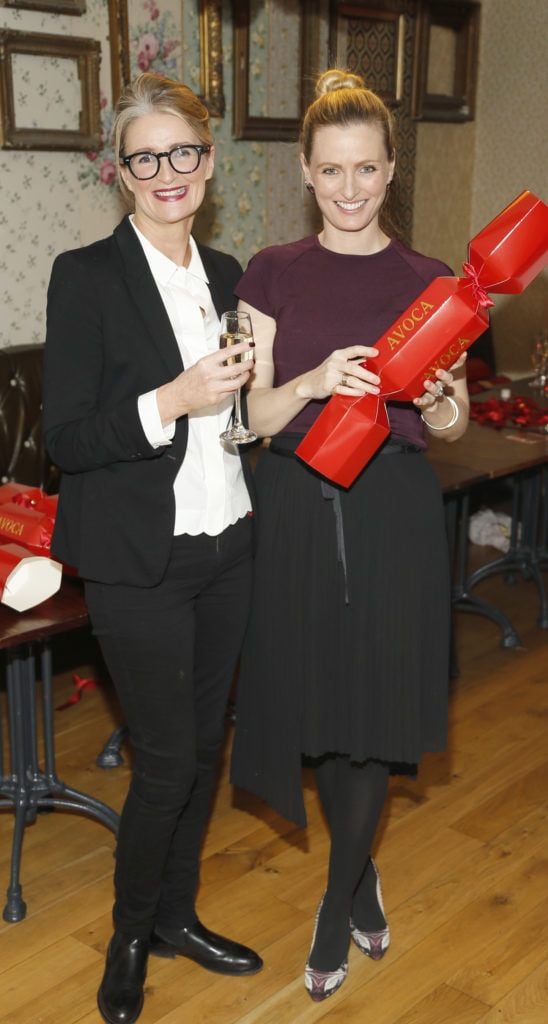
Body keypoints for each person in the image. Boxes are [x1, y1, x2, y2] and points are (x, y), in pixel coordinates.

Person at [230, 68, 469, 1002]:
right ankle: (360, 873)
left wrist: (445, 401)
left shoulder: (432, 282)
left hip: (391, 516)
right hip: (295, 506)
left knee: (369, 714)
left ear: (391, 167)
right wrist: (312, 382)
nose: (350, 188)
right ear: (305, 169)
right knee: (325, 712)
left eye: (367, 168)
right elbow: (251, 419)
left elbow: (445, 429)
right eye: (332, 170)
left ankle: (335, 908)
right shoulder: (270, 273)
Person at [42, 72, 262, 1024]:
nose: (167, 171)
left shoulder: (230, 275)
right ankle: (131, 935)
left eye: (184, 153)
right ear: (121, 173)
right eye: (146, 157)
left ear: (206, 165)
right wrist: (172, 400)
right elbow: (70, 439)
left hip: (230, 545)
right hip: (141, 559)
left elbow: (249, 413)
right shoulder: (83, 276)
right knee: (168, 758)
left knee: (204, 748)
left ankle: (177, 915)